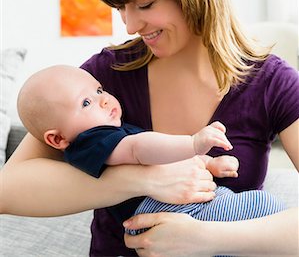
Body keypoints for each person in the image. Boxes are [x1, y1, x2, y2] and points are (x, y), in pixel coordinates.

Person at [1, 0, 298, 257]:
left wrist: (205, 239)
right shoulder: (102, 79)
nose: (130, 24)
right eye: (120, 8)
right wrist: (143, 178)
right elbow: (8, 189)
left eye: (144, 5)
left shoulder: (272, 84)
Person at [16, 64, 284, 235]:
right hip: (164, 213)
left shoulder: (109, 130)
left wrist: (208, 164)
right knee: (265, 208)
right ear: (57, 139)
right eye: (86, 102)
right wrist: (192, 144)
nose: (103, 100)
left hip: (180, 210)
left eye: (99, 90)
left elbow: (164, 162)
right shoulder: (91, 141)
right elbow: (139, 150)